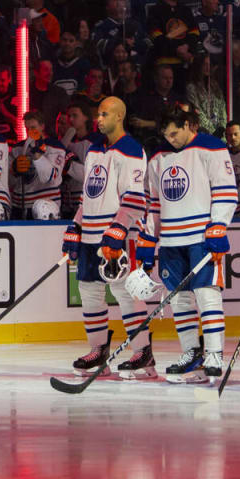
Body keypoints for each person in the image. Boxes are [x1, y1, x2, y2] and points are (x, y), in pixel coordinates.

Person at [140, 105, 236, 383]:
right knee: (178, 298)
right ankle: (191, 352)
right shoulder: (158, 157)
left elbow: (226, 190)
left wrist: (218, 224)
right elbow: (155, 203)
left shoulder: (212, 148)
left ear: (189, 125)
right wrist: (149, 237)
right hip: (170, 240)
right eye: (166, 135)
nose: (171, 139)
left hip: (201, 237)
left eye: (175, 133)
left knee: (207, 293)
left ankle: (215, 353)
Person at [62, 96, 152, 378]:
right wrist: (76, 226)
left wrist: (118, 230)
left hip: (118, 238)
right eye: (98, 115)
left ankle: (143, 353)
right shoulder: (93, 151)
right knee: (89, 294)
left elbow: (136, 199)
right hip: (90, 236)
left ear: (119, 117)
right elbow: (87, 197)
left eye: (104, 115)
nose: (98, 120)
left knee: (127, 294)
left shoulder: (132, 150)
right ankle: (99, 351)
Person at [9, 110, 68, 221]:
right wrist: (13, 169)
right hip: (20, 206)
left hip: (46, 207)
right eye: (27, 128)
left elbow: (49, 177)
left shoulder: (55, 146)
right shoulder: (18, 149)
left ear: (42, 126)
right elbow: (8, 182)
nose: (30, 132)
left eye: (33, 127)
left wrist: (38, 155)